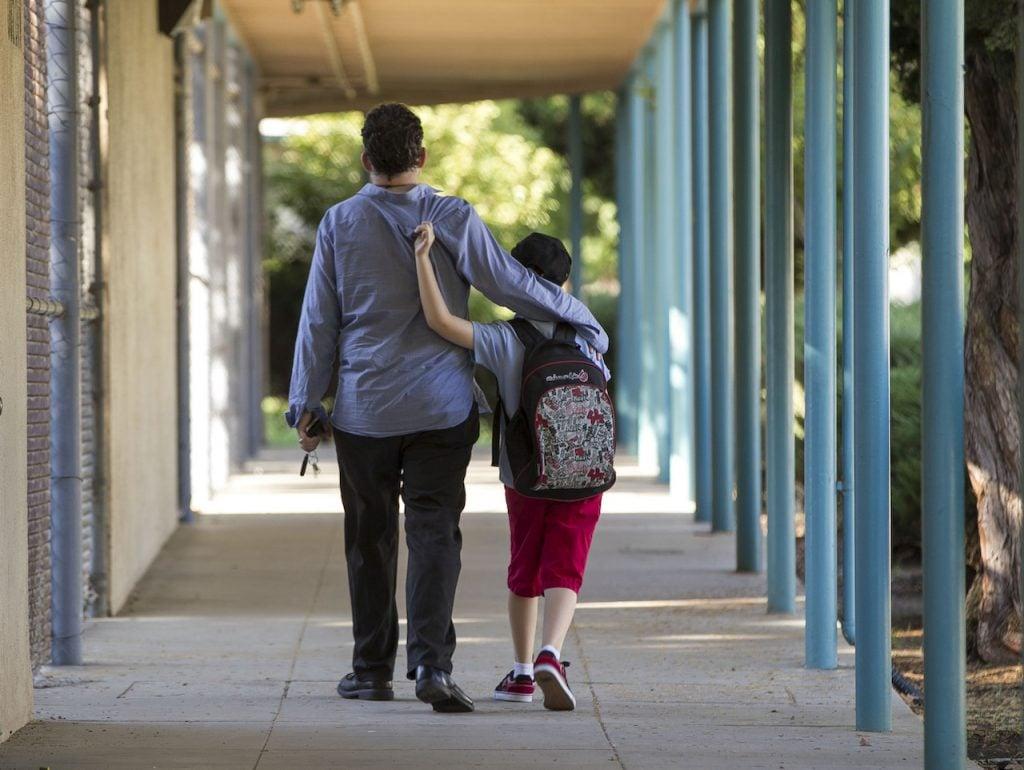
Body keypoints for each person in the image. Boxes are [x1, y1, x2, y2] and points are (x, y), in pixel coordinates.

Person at [286, 103, 607, 713]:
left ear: (365, 159)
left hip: (364, 410)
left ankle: (371, 670)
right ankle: (432, 665)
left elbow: (318, 321)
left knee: (370, 538)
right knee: (435, 533)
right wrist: (581, 319)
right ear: (422, 156)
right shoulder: (451, 214)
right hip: (441, 407)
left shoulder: (338, 222)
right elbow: (508, 283)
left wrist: (307, 401)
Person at [412, 222, 608, 711]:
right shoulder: (588, 330)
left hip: (525, 473)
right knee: (567, 564)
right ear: (564, 283)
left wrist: (423, 259)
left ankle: (522, 673)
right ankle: (551, 652)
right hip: (584, 470)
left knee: (525, 564)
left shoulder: (504, 339)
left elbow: (441, 322)